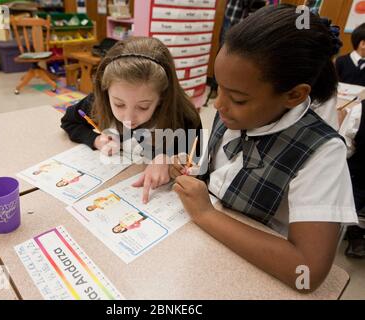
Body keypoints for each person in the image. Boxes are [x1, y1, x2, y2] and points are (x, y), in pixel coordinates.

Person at [170, 5, 358, 292]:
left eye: (238, 99)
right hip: (201, 255)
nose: (218, 105)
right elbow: (219, 174)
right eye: (218, 88)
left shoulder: (322, 154)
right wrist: (194, 172)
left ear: (294, 95)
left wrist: (206, 214)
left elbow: (306, 272)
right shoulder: (232, 115)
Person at [61, 37, 202, 203]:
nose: (128, 119)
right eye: (119, 104)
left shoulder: (184, 118)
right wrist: (95, 139)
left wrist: (169, 161)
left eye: (143, 107)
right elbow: (69, 121)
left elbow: (196, 164)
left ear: (162, 98)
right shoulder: (98, 104)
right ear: (106, 91)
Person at [339, 101, 365, 258]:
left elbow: (345, 150)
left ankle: (354, 235)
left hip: (359, 177)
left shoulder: (359, 111)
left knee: (352, 201)